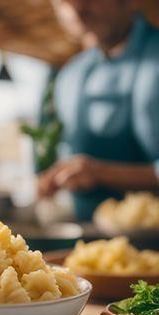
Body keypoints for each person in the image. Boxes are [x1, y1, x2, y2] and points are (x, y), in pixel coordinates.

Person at [38, 0, 159, 221]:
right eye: (64, 1)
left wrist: (102, 173)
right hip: (90, 242)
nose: (77, 8)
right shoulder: (69, 76)